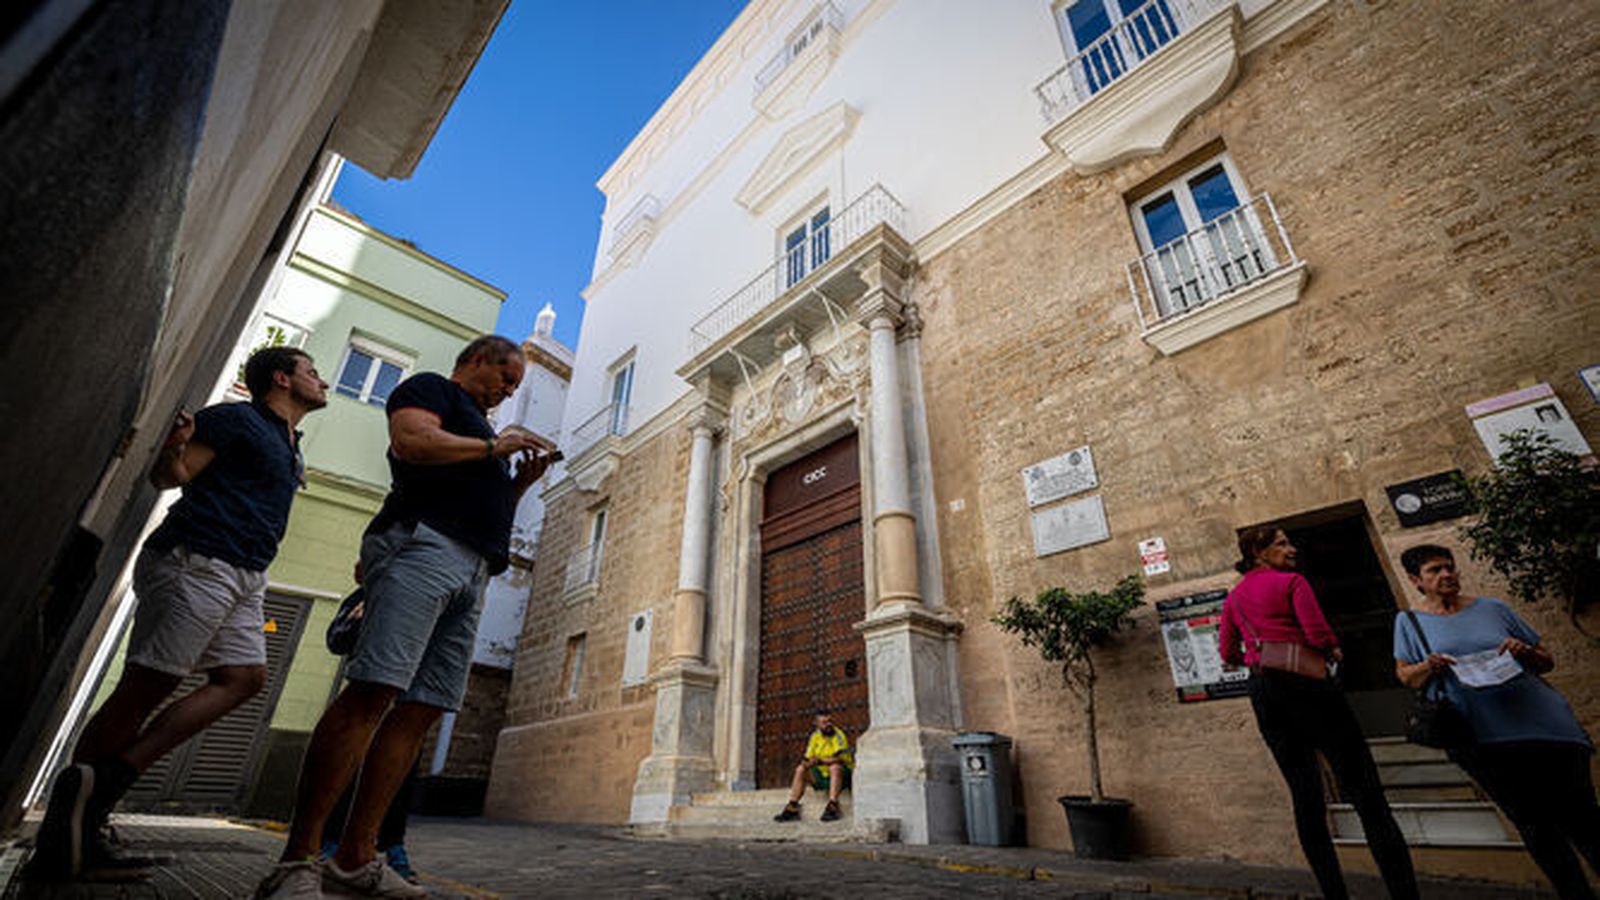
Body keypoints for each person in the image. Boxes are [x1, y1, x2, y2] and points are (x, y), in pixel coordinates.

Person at [257, 335, 553, 899]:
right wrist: (494, 450)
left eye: (515, 386)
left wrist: (516, 484)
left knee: (420, 709)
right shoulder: (431, 390)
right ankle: (297, 862)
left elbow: (476, 493)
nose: (508, 391)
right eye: (504, 378)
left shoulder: (483, 433)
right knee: (373, 690)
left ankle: (356, 857)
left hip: (471, 569)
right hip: (423, 547)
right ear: (473, 360)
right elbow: (414, 442)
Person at [34, 347, 327, 880]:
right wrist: (172, 449)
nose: (322, 380)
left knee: (244, 678)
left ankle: (102, 787)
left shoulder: (290, 442)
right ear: (281, 379)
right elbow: (174, 475)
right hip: (197, 559)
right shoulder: (235, 418)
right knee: (145, 687)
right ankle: (65, 836)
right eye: (312, 372)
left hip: (246, 574)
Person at [1218, 525, 1418, 900]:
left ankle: (1333, 893)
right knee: (1364, 789)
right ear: (1259, 552)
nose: (1291, 549)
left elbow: (1227, 651)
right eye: (1282, 543)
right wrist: (1332, 650)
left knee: (1305, 796)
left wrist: (1257, 651)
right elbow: (1317, 633)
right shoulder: (1291, 582)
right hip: (1308, 686)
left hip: (1264, 689)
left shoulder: (1235, 597)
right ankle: (1403, 890)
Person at [1394, 544, 1598, 900]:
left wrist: (1524, 652)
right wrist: (1430, 665)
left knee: (1584, 821)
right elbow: (1407, 677)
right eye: (1435, 571)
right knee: (1536, 829)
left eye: (1450, 567)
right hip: (1484, 740)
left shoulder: (1494, 608)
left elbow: (1545, 661)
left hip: (1547, 728)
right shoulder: (1409, 622)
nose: (1447, 575)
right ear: (1416, 581)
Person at [773, 712, 854, 823]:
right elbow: (808, 757)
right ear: (817, 725)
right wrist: (807, 763)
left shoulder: (839, 735)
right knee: (800, 769)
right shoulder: (815, 737)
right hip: (821, 775)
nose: (828, 724)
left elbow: (839, 759)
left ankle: (833, 806)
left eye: (830, 721)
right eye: (824, 722)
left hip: (840, 776)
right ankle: (792, 807)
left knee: (834, 767)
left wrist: (820, 760)